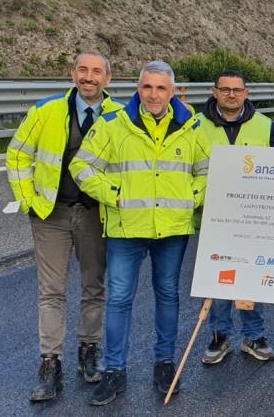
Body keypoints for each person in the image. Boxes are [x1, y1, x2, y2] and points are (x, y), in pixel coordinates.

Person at [70, 61, 210, 406]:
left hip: (172, 229)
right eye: (147, 87)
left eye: (161, 88)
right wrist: (113, 193)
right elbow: (81, 165)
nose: (153, 95)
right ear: (138, 88)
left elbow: (209, 170)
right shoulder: (114, 124)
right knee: (118, 300)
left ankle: (164, 364)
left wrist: (192, 197)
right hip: (125, 228)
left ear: (174, 91)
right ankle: (114, 370)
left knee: (167, 295)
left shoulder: (191, 126)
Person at [6, 53, 123, 402]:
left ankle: (89, 351)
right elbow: (17, 155)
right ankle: (50, 363)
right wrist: (28, 199)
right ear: (72, 74)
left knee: (94, 286)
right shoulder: (46, 111)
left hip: (96, 216)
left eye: (96, 72)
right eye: (83, 70)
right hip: (51, 215)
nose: (89, 77)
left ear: (109, 79)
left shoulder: (121, 116)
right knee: (51, 291)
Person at [196, 69, 274, 365]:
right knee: (219, 280)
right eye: (225, 89)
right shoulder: (195, 126)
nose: (231, 94)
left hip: (252, 217)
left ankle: (253, 336)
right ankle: (219, 338)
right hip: (213, 218)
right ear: (214, 92)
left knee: (250, 278)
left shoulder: (265, 125)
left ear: (246, 93)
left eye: (237, 90)